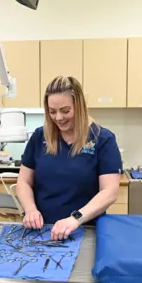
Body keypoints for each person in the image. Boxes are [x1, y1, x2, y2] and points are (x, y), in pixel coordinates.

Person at [16, 76, 123, 241]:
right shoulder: (39, 136)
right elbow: (24, 181)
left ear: (79, 107)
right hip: (42, 230)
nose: (58, 117)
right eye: (52, 111)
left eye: (65, 111)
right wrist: (30, 210)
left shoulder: (102, 139)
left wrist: (75, 219)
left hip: (84, 229)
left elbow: (110, 191)